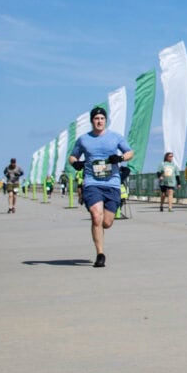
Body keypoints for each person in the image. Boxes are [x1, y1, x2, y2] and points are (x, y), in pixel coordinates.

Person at [69, 106, 133, 268]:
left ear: (106, 120)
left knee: (107, 222)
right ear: (92, 121)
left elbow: (130, 152)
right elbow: (72, 156)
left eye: (102, 118)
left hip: (112, 183)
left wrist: (119, 158)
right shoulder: (84, 139)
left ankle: (102, 231)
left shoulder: (115, 137)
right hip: (92, 182)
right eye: (96, 118)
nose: (99, 121)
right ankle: (100, 254)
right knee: (96, 217)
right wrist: (76, 163)